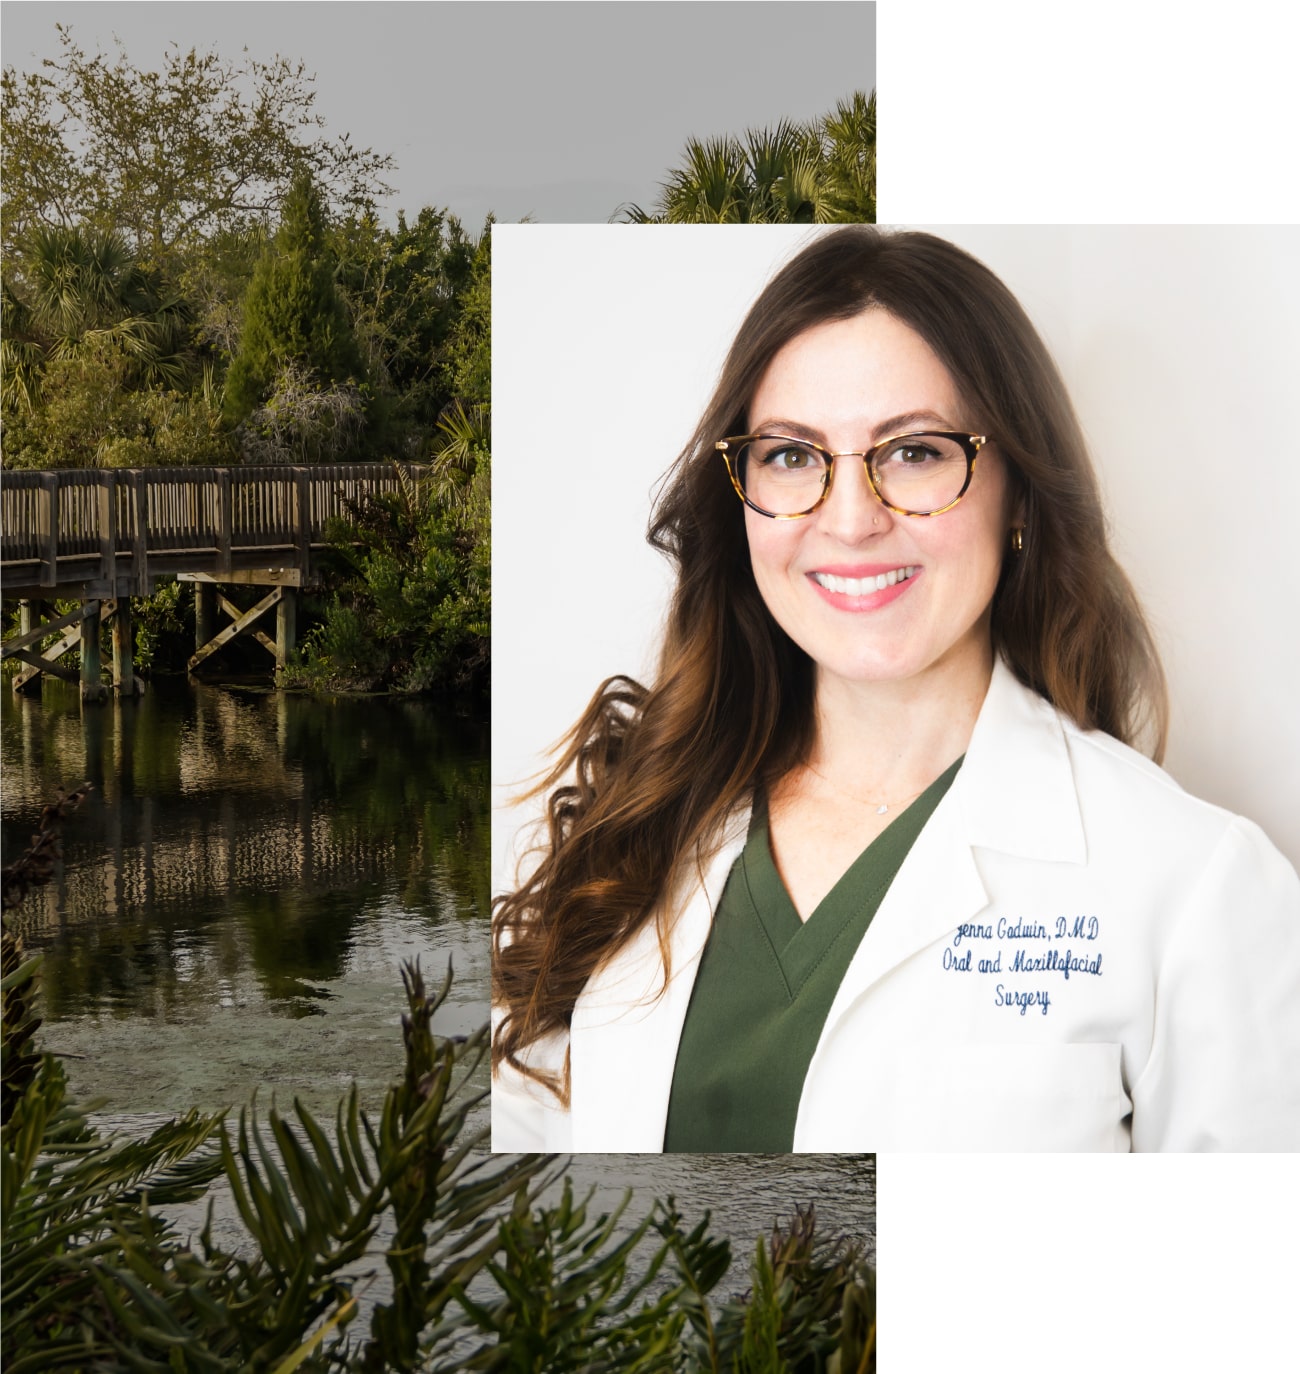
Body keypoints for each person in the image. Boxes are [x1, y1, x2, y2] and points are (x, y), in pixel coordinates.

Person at [491, 226, 1300, 1153]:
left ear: (1020, 495)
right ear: (740, 496)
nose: (849, 521)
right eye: (791, 455)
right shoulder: (630, 818)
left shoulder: (1198, 890)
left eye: (915, 452)